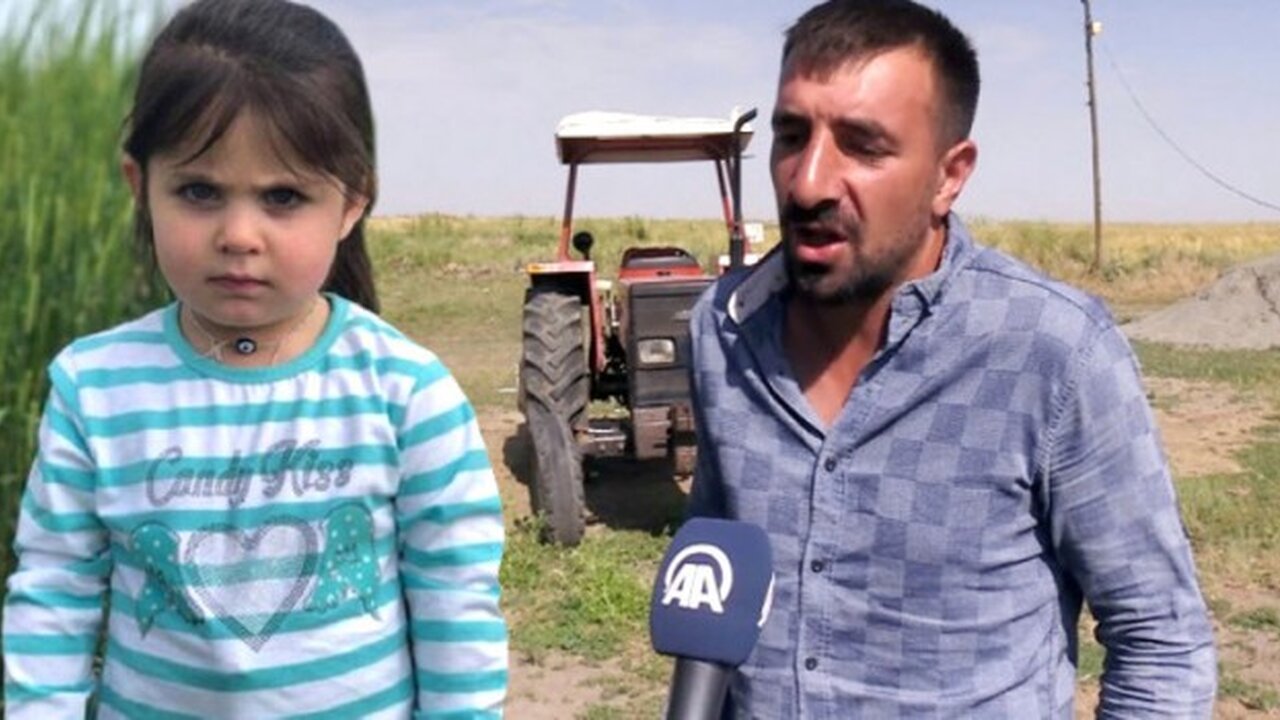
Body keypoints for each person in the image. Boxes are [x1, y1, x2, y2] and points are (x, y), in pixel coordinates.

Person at [686, 0, 1216, 716]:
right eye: (791, 135)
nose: (808, 182)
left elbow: (1161, 640)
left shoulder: (1053, 351)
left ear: (949, 175)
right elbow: (714, 586)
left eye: (862, 146)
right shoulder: (722, 331)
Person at [2, 1, 507, 717]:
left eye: (283, 197)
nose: (239, 234)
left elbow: (455, 600)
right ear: (140, 186)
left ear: (351, 203)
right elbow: (54, 591)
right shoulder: (94, 390)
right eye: (200, 191)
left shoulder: (408, 394)